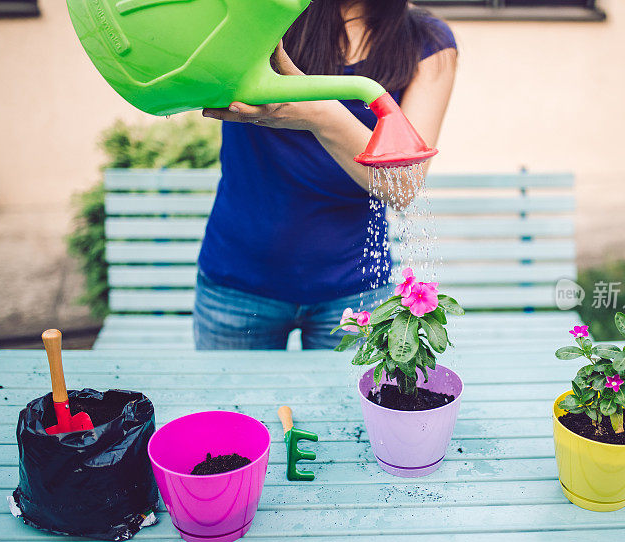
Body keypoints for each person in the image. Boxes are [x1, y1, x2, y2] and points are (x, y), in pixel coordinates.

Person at [196, 0, 457, 350]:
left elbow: (402, 185)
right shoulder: (259, 11)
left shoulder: (426, 41)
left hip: (355, 291)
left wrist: (319, 114)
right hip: (238, 283)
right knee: (231, 408)